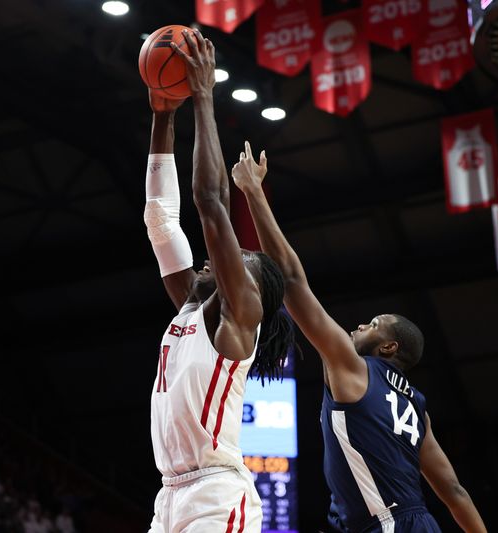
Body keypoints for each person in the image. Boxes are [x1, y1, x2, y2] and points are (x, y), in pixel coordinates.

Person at [232, 142, 487, 533]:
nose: (358, 326)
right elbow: (453, 490)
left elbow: (293, 280)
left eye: (372, 325)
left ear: (389, 347)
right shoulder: (417, 409)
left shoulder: (353, 368)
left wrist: (252, 192)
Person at [143, 29, 294, 533]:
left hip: (215, 495)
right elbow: (161, 220)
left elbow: (211, 203)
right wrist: (163, 116)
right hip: (169, 497)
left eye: (241, 258)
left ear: (253, 290)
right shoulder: (191, 305)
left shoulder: (240, 316)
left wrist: (204, 95)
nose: (222, 259)